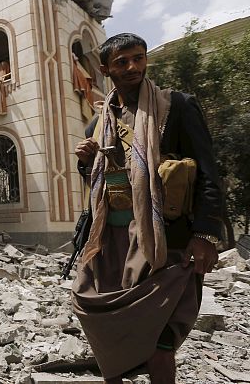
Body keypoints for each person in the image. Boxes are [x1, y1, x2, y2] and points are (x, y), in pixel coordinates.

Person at [72, 33, 223, 384]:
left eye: (138, 58)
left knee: (161, 342)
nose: (132, 67)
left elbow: (207, 172)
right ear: (106, 69)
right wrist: (87, 164)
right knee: (108, 329)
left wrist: (205, 234)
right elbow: (100, 186)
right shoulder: (99, 124)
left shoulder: (177, 107)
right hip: (113, 243)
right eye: (122, 62)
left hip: (166, 240)